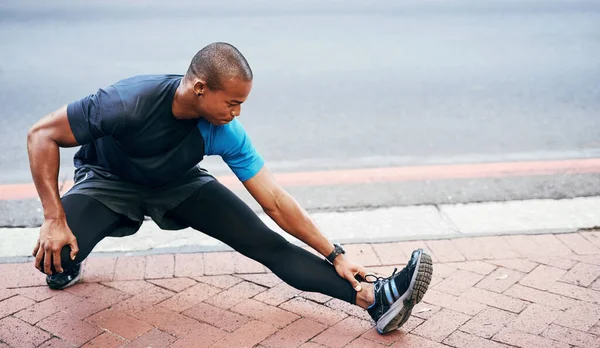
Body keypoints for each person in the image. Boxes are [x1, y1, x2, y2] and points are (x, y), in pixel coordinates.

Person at [26, 42, 432, 334]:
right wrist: (53, 218)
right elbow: (42, 134)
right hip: (109, 182)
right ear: (200, 87)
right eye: (232, 102)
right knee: (55, 255)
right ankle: (69, 263)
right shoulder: (127, 102)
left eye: (242, 105)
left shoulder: (224, 132)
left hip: (178, 184)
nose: (236, 113)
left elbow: (274, 201)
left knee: (266, 243)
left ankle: (375, 299)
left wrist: (335, 253)